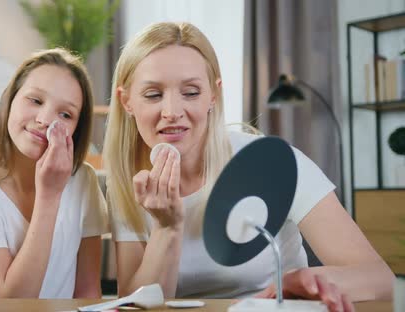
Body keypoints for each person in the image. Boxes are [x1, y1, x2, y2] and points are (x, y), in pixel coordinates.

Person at [102, 22, 393, 312]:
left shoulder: (270, 164)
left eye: (191, 92)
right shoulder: (130, 181)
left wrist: (305, 280)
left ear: (213, 96)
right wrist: (166, 228)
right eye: (153, 95)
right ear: (126, 101)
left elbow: (380, 279)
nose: (172, 112)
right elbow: (135, 304)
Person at [0, 48, 107, 299]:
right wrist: (49, 195)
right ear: (10, 100)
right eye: (36, 100)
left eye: (66, 114)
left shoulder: (84, 180)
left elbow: (88, 293)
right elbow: (14, 301)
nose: (45, 120)